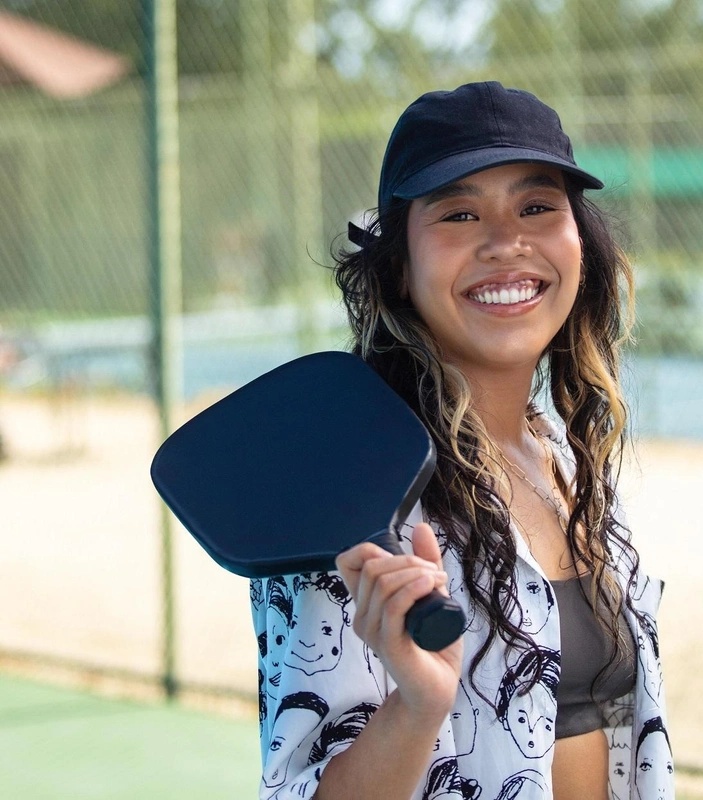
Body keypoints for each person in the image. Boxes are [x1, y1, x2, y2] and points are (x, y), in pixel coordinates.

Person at [250, 81, 671, 800]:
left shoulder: (566, 460)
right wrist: (416, 708)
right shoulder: (344, 492)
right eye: (459, 213)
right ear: (399, 268)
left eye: (537, 206)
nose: (507, 242)